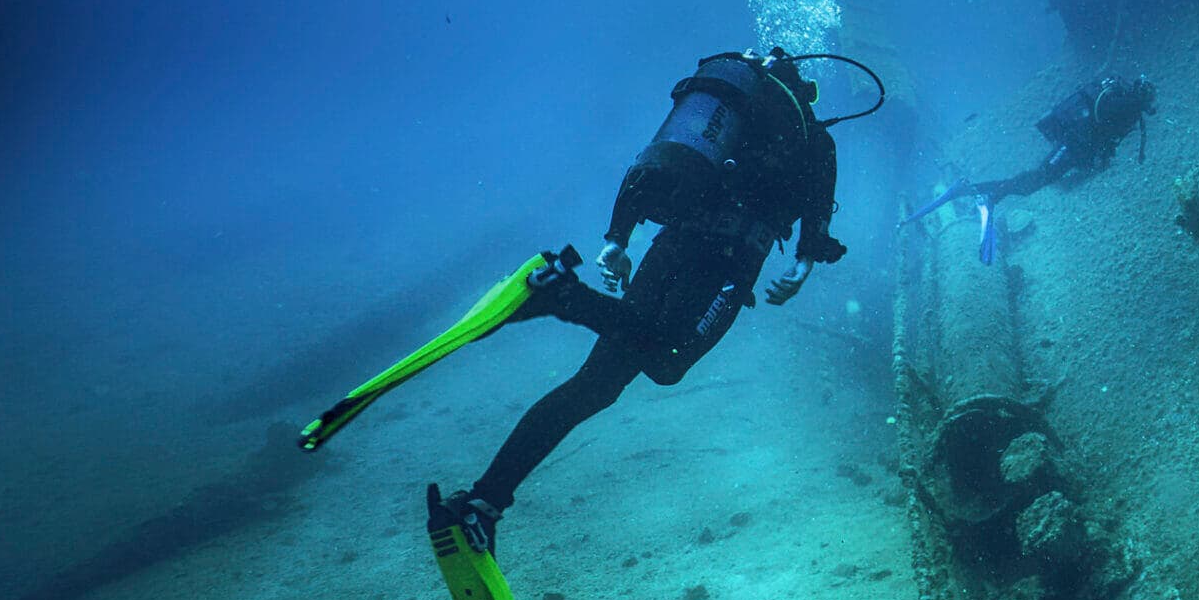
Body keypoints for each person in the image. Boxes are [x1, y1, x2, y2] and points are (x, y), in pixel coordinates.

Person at [432, 49, 848, 549]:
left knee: (595, 386)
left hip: (671, 245)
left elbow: (655, 163)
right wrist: (800, 266)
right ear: (807, 92)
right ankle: (563, 297)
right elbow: (817, 218)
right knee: (668, 363)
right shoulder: (814, 139)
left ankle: (483, 503)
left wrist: (617, 238)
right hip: (727, 264)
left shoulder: (721, 114)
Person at [908, 72, 1156, 262]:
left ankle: (968, 189)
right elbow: (1104, 125)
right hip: (1072, 146)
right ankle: (989, 196)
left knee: (1037, 180)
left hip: (1077, 148)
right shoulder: (1128, 106)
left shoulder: (1127, 103)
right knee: (1038, 179)